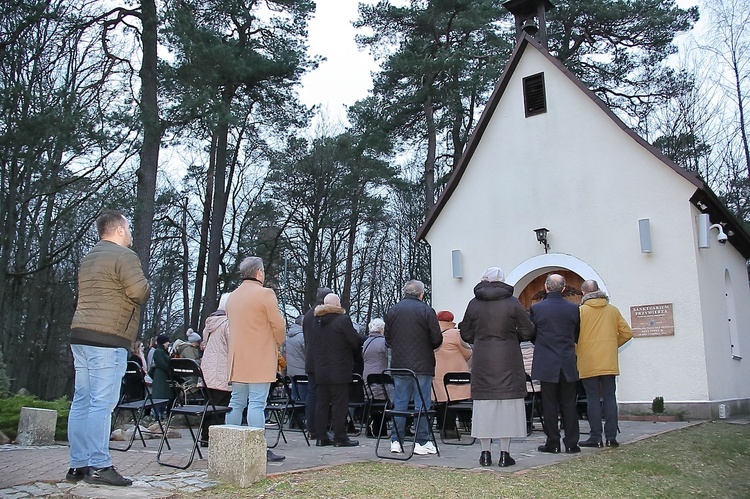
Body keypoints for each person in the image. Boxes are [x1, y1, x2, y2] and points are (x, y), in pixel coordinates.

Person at [67, 209, 150, 486]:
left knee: (82, 401)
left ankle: (78, 465)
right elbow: (139, 292)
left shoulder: (90, 256)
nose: (130, 233)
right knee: (102, 403)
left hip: (81, 335)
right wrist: (147, 285)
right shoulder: (125, 256)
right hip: (107, 338)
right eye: (128, 228)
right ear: (118, 230)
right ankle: (100, 466)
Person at [459, 267, 535, 467]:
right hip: (508, 357)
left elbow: (465, 333)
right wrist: (512, 336)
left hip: (483, 357)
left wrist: (481, 338)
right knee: (507, 405)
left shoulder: (474, 304)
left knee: (484, 405)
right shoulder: (512, 302)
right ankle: (504, 454)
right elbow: (528, 331)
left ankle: (485, 453)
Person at [225, 256, 286, 462]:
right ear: (259, 273)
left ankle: (230, 446)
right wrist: (277, 343)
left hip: (237, 358)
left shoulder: (232, 297)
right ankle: (257, 448)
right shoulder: (265, 294)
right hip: (259, 356)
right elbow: (278, 326)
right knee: (257, 403)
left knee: (237, 402)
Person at [384, 279, 443, 455]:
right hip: (422, 364)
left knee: (400, 402)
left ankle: (396, 440)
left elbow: (387, 338)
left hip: (400, 365)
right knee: (422, 403)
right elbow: (437, 339)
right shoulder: (426, 310)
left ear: (405, 292)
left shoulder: (393, 310)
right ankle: (421, 441)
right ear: (421, 294)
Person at [577, 280, 633, 448]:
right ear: (599, 291)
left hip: (588, 361)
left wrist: (578, 349)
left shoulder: (580, 312)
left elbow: (573, 336)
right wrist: (611, 345)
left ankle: (595, 437)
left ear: (583, 293)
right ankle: (611, 437)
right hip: (608, 360)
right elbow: (627, 333)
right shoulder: (612, 310)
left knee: (592, 399)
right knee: (609, 398)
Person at [530, 274, 581, 454]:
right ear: (564, 288)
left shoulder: (537, 309)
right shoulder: (573, 308)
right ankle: (572, 443)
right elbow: (576, 334)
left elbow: (531, 333)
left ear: (546, 287)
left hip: (546, 360)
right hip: (566, 359)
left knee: (549, 404)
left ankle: (553, 442)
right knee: (569, 403)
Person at [312, 293, 362, 447]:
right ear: (336, 305)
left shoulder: (316, 321)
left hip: (321, 368)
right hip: (339, 368)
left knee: (321, 403)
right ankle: (340, 437)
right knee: (339, 404)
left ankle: (321, 436)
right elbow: (355, 341)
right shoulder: (342, 320)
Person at [199, 293, 233, 446]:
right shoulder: (227, 324)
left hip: (206, 370)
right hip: (221, 370)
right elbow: (233, 346)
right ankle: (215, 439)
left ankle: (205, 436)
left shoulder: (210, 325)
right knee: (220, 405)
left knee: (209, 403)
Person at [433, 310, 472, 439]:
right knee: (456, 400)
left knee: (442, 401)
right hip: (457, 373)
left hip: (437, 374)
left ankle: (443, 426)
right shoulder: (456, 334)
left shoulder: (432, 333)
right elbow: (467, 352)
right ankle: (458, 426)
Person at [303, 286, 332, 440]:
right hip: (323, 360)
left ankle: (311, 429)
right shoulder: (323, 315)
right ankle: (320, 429)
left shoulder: (308, 315)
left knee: (312, 394)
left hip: (310, 359)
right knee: (322, 396)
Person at [362, 318, 388, 437]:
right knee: (382, 401)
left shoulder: (366, 342)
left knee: (371, 400)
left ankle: (372, 427)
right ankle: (379, 429)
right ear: (382, 329)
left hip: (367, 376)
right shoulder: (384, 342)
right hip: (381, 377)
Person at [150, 334, 174, 419]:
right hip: (160, 377)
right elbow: (161, 364)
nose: (168, 344)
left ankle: (162, 416)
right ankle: (157, 416)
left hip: (164, 377)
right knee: (159, 397)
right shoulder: (158, 351)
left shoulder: (163, 351)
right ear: (163, 342)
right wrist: (170, 367)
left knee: (164, 397)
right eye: (167, 342)